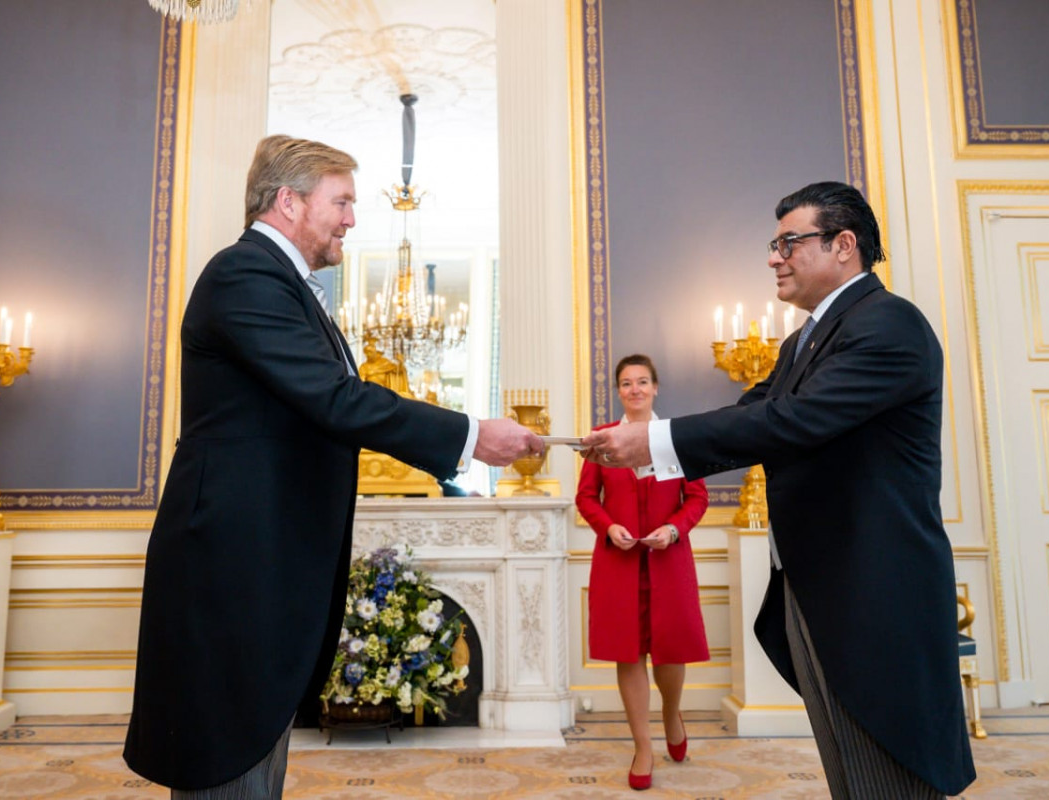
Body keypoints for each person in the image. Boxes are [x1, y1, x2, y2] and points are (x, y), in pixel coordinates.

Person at [123, 134, 543, 798]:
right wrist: (469, 435)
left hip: (261, 561)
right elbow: (337, 399)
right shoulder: (246, 275)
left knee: (254, 747)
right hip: (234, 563)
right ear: (288, 202)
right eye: (341, 201)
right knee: (228, 758)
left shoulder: (285, 284)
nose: (351, 217)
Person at [582, 182, 976, 798]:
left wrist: (653, 443)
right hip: (816, 583)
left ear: (845, 246)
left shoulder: (888, 323)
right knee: (849, 767)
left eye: (789, 242)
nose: (774, 256)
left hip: (874, 587)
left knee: (890, 771)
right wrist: (639, 442)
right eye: (774, 243)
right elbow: (753, 415)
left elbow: (791, 423)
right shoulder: (805, 340)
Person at [576, 354, 708, 791]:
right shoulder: (602, 440)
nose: (634, 389)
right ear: (618, 391)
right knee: (628, 652)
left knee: (669, 650)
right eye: (626, 383)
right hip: (618, 563)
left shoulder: (676, 439)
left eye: (642, 382)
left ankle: (671, 714)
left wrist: (673, 529)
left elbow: (697, 499)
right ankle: (642, 747)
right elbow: (586, 498)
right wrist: (608, 526)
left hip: (669, 561)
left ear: (655, 387)